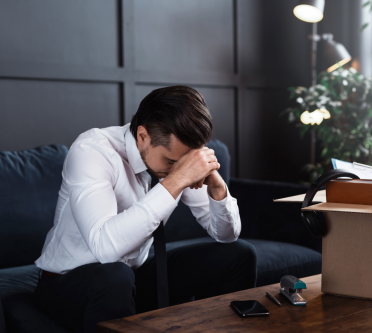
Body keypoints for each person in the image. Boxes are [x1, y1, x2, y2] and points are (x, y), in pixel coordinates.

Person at [34, 85, 257, 333]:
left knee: (239, 255)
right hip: (68, 286)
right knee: (115, 277)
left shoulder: (175, 155)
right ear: (143, 136)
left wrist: (218, 189)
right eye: (171, 162)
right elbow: (105, 249)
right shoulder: (92, 150)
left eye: (184, 163)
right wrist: (178, 178)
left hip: (132, 280)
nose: (176, 170)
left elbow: (226, 234)